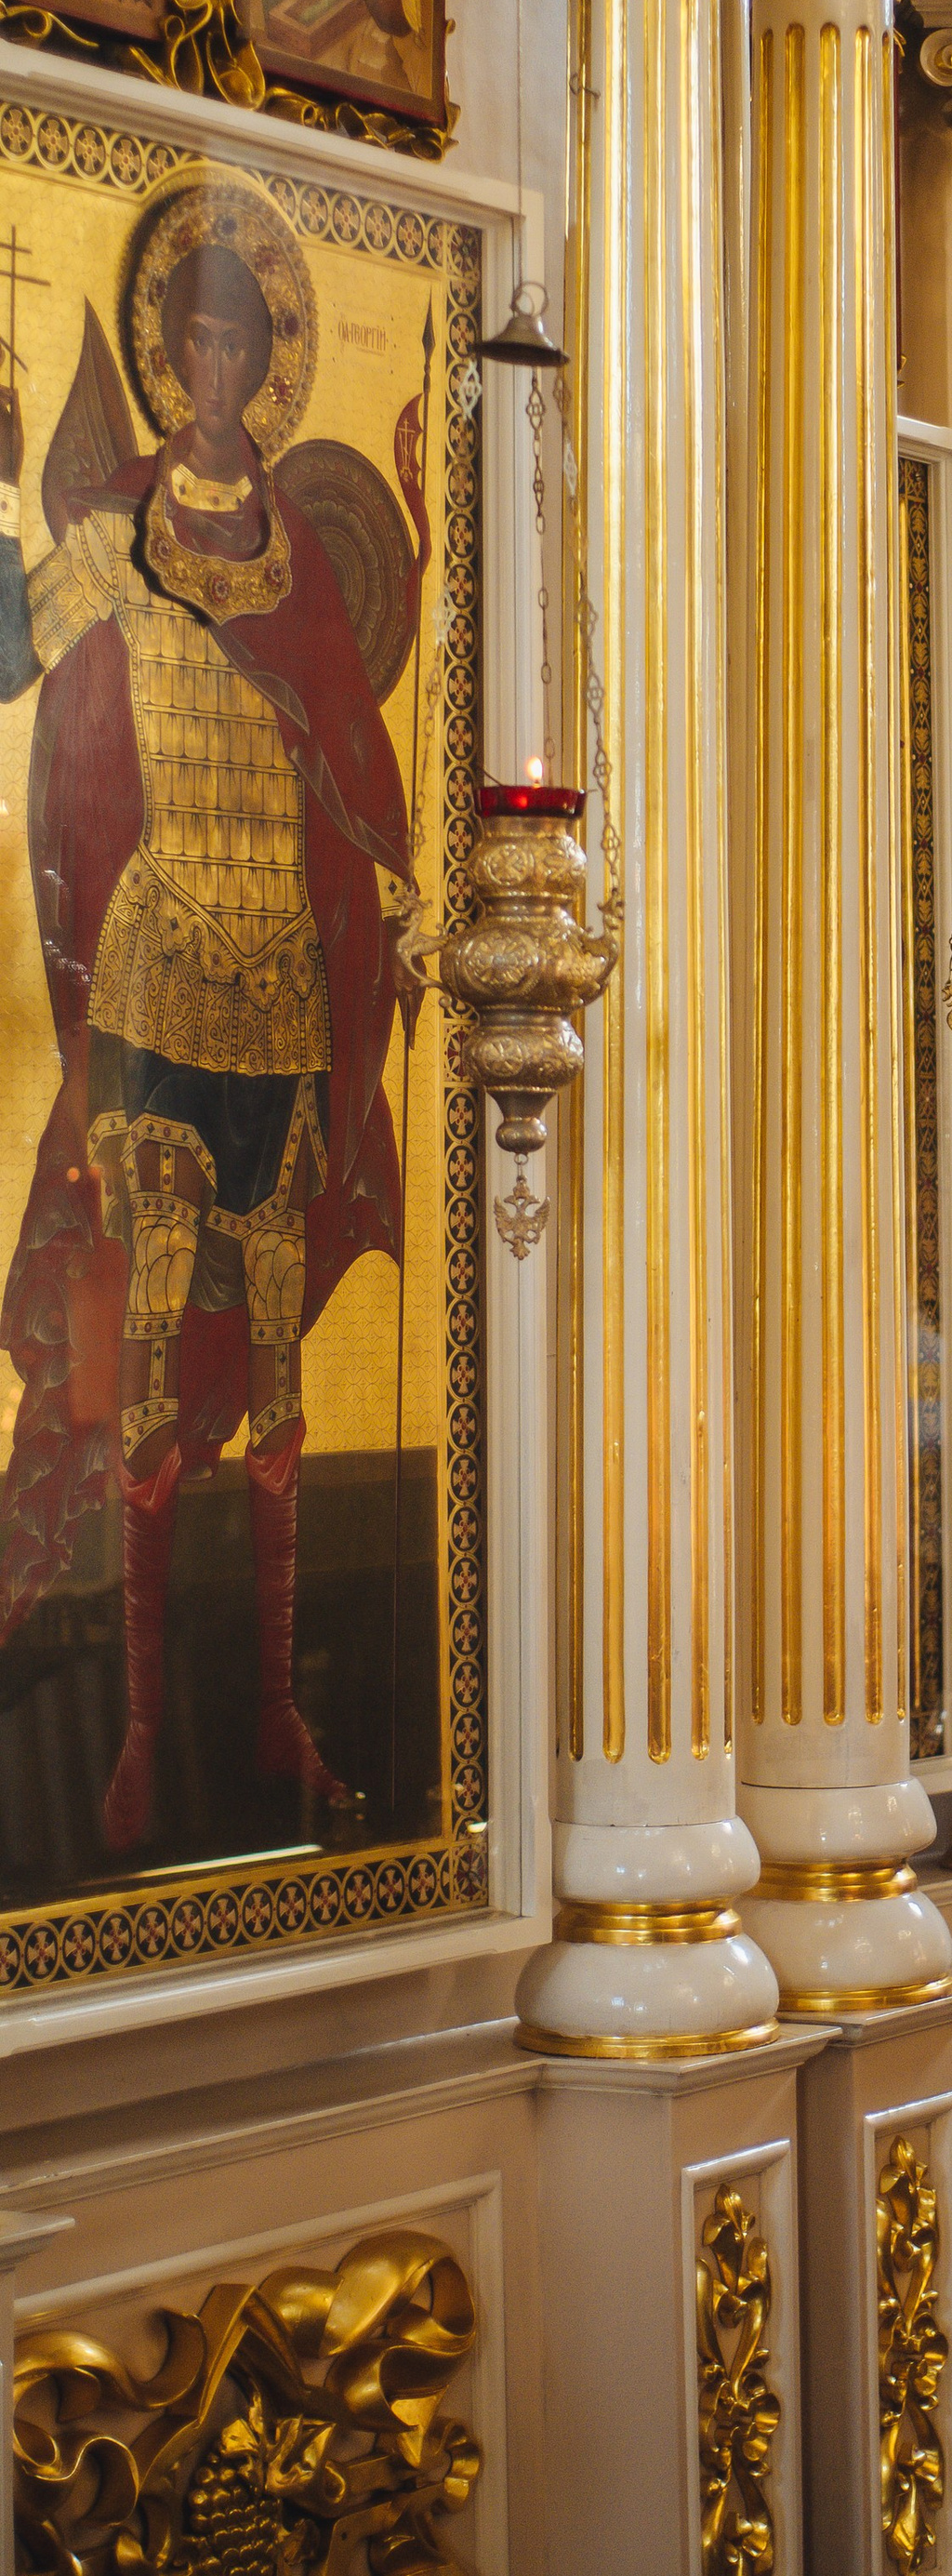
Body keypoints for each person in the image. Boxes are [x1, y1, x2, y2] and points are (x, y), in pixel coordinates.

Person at [0, 226, 417, 1845]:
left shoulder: (299, 547)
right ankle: (134, 1731)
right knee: (158, 1342)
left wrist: (406, 898)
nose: (222, 368)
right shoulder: (120, 530)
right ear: (171, 355)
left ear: (269, 364)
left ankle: (276, 1710)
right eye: (200, 343)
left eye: (247, 345)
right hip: (163, 969)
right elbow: (14, 655)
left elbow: (354, 733)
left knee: (285, 1360)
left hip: (282, 995)